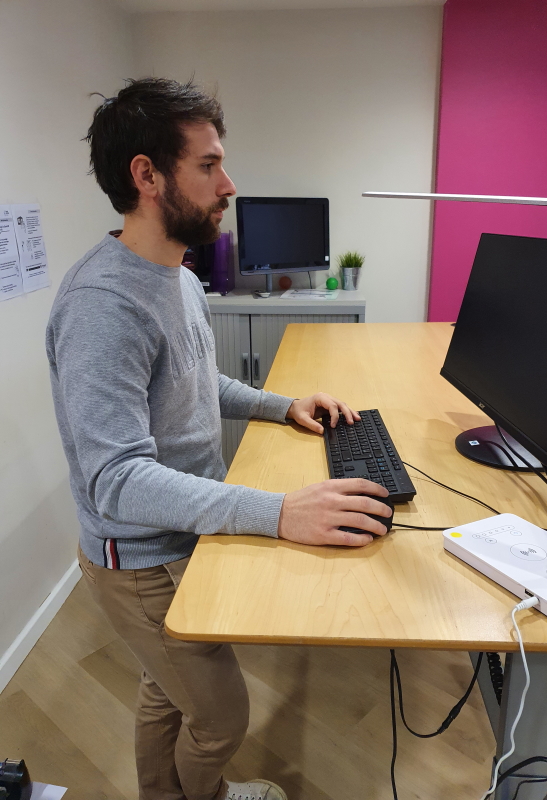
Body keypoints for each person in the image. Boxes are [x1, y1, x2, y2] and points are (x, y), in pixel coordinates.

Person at [46, 77, 391, 800]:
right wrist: (276, 510)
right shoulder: (102, 308)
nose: (228, 183)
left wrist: (280, 404)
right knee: (221, 718)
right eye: (208, 165)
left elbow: (199, 383)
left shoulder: (177, 276)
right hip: (139, 559)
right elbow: (116, 479)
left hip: (184, 533)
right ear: (147, 175)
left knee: (167, 691)